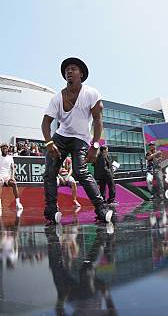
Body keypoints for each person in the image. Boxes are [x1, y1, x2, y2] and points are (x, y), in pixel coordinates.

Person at [41, 57, 113, 224]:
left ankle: (101, 208)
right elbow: (45, 123)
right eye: (67, 70)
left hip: (80, 139)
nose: (69, 71)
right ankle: (51, 210)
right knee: (50, 173)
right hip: (60, 137)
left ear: (81, 74)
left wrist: (95, 145)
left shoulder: (91, 94)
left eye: (73, 69)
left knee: (81, 172)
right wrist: (49, 143)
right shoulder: (57, 98)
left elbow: (97, 120)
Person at [0, 143, 23, 213]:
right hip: (0, 176)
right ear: (1, 149)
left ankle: (18, 203)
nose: (5, 149)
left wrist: (12, 177)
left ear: (8, 149)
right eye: (3, 148)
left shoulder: (10, 157)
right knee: (0, 183)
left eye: (6, 148)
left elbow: (13, 168)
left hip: (8, 177)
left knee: (14, 183)